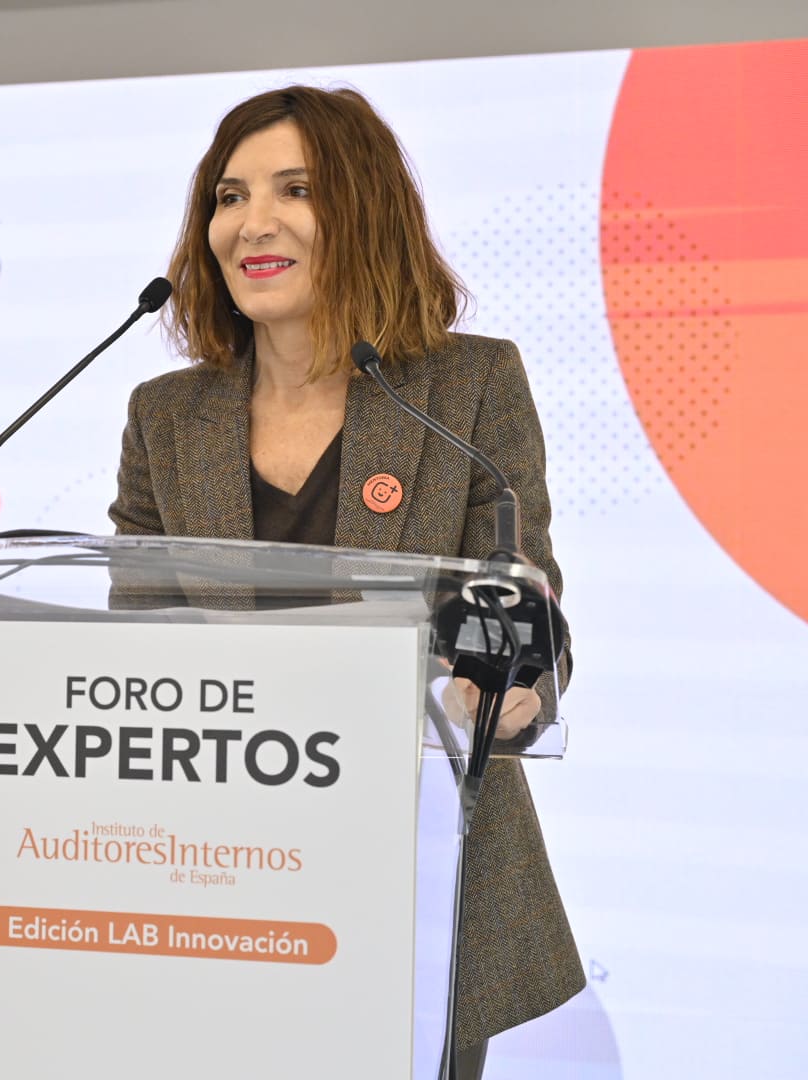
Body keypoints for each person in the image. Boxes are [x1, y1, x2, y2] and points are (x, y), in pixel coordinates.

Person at [107, 85, 585, 1078]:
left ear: (364, 211)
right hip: (215, 876)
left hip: (421, 878)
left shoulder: (468, 386)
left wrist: (511, 688)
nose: (253, 223)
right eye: (229, 196)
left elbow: (526, 606)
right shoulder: (167, 417)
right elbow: (135, 649)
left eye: (296, 190)